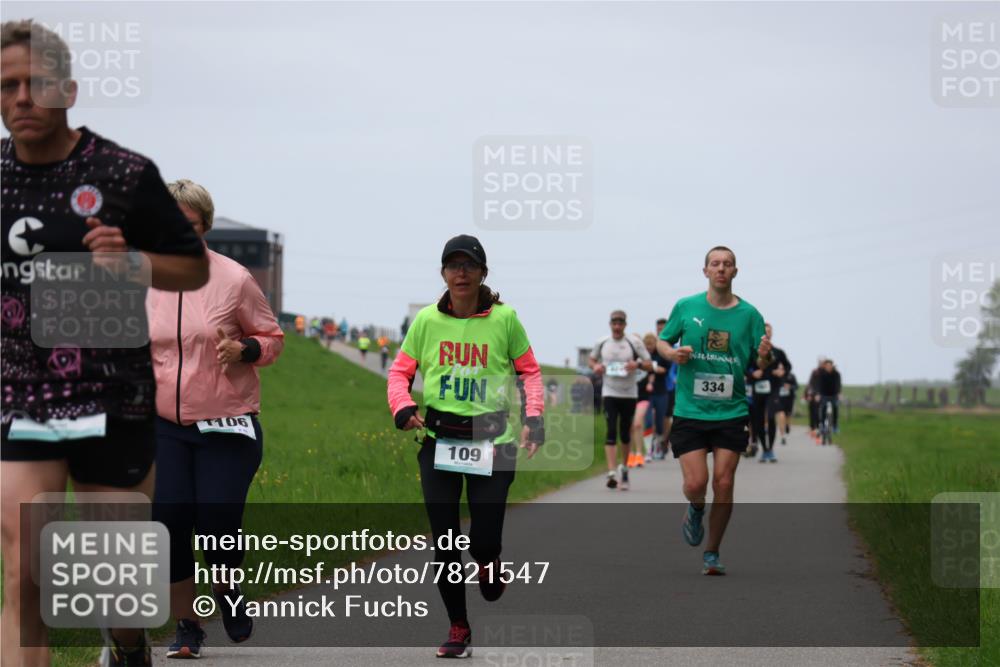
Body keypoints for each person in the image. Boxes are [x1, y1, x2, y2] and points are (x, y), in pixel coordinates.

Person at [0, 19, 209, 667]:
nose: (22, 98)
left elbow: (194, 267)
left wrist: (134, 263)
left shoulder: (122, 173)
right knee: (24, 568)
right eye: (7, 86)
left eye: (36, 83)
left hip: (112, 399)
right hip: (23, 397)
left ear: (69, 88)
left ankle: (128, 642)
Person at [386, 234, 544, 658]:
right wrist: (402, 407)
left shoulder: (505, 319)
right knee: (446, 542)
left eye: (469, 265)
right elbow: (399, 374)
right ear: (443, 274)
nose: (461, 272)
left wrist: (534, 419)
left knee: (483, 542)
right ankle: (458, 626)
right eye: (453, 265)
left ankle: (489, 561)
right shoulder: (426, 322)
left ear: (482, 274)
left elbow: (529, 372)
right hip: (440, 442)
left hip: (494, 442)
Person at [148, 180, 284, 658]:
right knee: (168, 523)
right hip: (164, 424)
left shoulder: (234, 279)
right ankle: (188, 626)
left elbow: (272, 338)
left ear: (204, 225)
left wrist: (245, 348)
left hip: (227, 422)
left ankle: (228, 591)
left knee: (216, 522)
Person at [657, 246, 772, 575]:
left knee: (723, 482)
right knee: (697, 483)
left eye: (728, 264)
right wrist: (672, 354)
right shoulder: (686, 306)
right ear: (705, 270)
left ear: (736, 271)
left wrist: (764, 354)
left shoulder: (750, 315)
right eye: (715, 264)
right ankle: (695, 507)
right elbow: (664, 342)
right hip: (691, 410)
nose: (721, 269)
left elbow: (760, 360)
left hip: (731, 411)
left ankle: (712, 552)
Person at [589, 310, 652, 491]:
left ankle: (624, 469)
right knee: (610, 431)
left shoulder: (634, 342)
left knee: (625, 433)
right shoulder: (602, 342)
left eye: (620, 324)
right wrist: (596, 367)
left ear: (625, 325)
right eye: (614, 323)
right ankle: (611, 472)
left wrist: (637, 364)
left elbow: (649, 364)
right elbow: (591, 360)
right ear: (610, 324)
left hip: (629, 394)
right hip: (609, 392)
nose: (617, 327)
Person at [748, 323, 791, 462]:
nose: (767, 333)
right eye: (764, 331)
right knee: (758, 420)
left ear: (771, 334)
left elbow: (788, 366)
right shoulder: (753, 351)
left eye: (769, 331)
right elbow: (744, 367)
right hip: (758, 388)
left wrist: (782, 372)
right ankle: (764, 449)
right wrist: (752, 374)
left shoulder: (778, 352)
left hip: (773, 388)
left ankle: (771, 449)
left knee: (771, 416)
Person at [816, 358, 842, 438]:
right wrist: (818, 394)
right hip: (824, 395)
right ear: (825, 366)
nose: (828, 367)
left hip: (834, 395)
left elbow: (838, 384)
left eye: (830, 366)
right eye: (827, 366)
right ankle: (823, 425)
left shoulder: (836, 374)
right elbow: (819, 385)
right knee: (823, 408)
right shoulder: (821, 373)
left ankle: (835, 426)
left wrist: (839, 393)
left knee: (835, 407)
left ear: (832, 366)